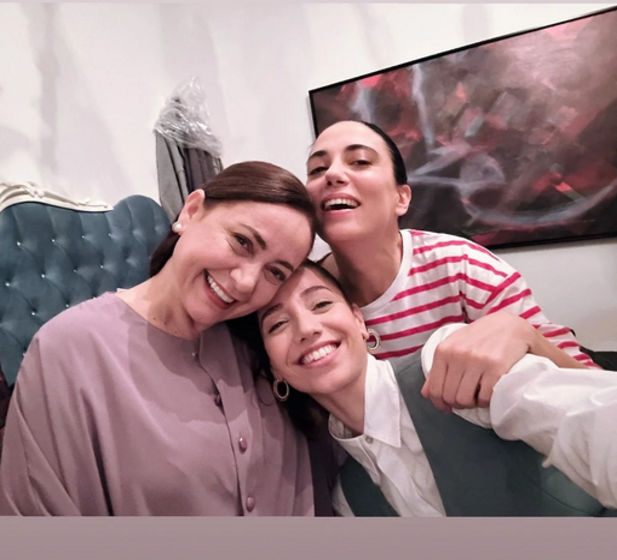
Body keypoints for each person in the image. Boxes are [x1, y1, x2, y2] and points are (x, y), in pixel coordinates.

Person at [0, 162, 321, 516]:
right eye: (242, 242)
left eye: (275, 272)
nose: (246, 283)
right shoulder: (70, 351)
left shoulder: (261, 345)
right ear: (191, 211)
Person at [257, 262, 616, 515]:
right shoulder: (349, 499)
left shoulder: (445, 362)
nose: (307, 328)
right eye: (277, 325)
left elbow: (588, 419)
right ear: (274, 369)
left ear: (358, 319)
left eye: (321, 304)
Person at [305, 120, 596, 412]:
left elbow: (595, 389)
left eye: (360, 161)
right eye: (317, 169)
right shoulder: (300, 297)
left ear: (401, 198)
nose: (332, 174)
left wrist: (523, 335)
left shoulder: (462, 267)